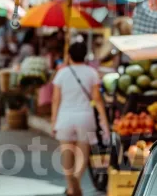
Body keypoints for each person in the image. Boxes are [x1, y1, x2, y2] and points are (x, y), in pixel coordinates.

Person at [51, 41, 107, 196]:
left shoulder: (61, 73)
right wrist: (104, 123)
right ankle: (76, 178)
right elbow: (97, 99)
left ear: (69, 56)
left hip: (65, 117)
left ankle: (70, 184)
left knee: (67, 152)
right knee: (83, 152)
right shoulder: (91, 73)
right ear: (85, 56)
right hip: (85, 117)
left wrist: (53, 122)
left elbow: (56, 100)